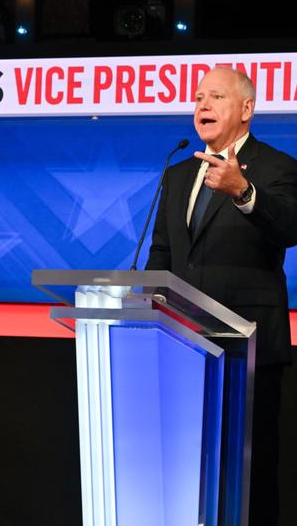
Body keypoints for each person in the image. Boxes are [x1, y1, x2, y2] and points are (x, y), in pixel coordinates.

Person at [146, 66, 297, 525]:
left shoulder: (276, 167)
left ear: (247, 109)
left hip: (247, 351)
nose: (202, 106)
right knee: (191, 475)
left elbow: (290, 228)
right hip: (184, 348)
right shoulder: (176, 175)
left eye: (215, 96)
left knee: (248, 481)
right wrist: (145, 308)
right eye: (198, 98)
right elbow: (163, 255)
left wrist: (244, 192)